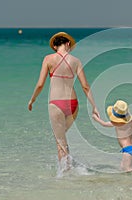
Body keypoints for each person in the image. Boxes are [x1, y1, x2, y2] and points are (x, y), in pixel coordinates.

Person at [28, 32, 100, 168]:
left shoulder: (48, 59)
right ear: (68, 44)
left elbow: (40, 84)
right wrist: (94, 106)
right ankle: (69, 165)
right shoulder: (76, 61)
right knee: (62, 138)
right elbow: (85, 86)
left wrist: (32, 100)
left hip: (56, 104)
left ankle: (65, 175)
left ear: (55, 46)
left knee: (59, 140)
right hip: (74, 105)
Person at [92, 100, 132, 172]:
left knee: (128, 169)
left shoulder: (117, 123)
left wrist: (96, 118)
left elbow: (104, 124)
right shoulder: (131, 121)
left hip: (128, 150)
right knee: (122, 168)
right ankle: (130, 181)